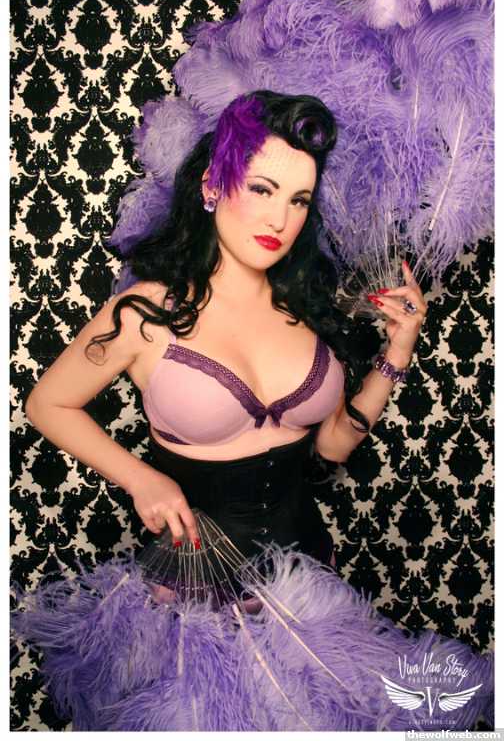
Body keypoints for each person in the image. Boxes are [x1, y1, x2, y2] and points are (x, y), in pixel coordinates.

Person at [14, 91, 492, 732]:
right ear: (213, 186)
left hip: (306, 594)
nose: (280, 218)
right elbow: (47, 402)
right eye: (262, 189)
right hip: (191, 605)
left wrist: (398, 350)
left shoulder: (307, 307)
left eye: (298, 200)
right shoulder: (148, 311)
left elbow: (331, 447)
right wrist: (142, 478)